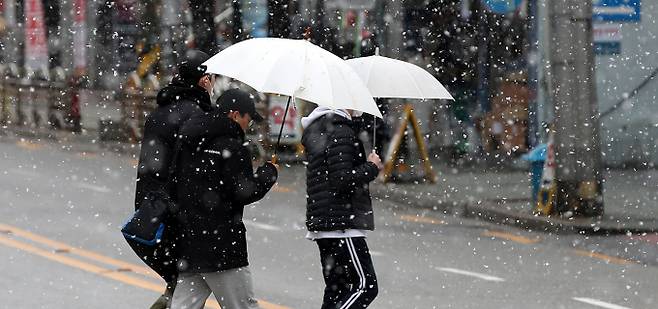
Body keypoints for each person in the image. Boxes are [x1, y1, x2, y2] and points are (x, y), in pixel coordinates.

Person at [170, 89, 278, 309]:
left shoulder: (189, 139)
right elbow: (244, 192)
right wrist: (268, 174)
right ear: (235, 115)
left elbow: (173, 183)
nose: (248, 124)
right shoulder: (233, 148)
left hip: (189, 242)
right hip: (222, 247)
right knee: (243, 306)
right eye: (248, 118)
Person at [132, 49, 215, 309]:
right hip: (179, 211)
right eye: (211, 78)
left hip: (151, 211)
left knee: (181, 285)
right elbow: (196, 169)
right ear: (203, 81)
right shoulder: (197, 117)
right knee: (189, 285)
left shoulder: (160, 112)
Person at [300, 106, 384, 308]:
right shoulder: (341, 130)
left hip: (327, 223)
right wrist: (371, 167)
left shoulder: (322, 127)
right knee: (365, 286)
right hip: (341, 224)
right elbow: (342, 179)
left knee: (337, 291)